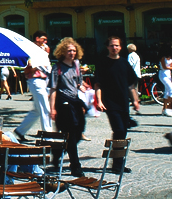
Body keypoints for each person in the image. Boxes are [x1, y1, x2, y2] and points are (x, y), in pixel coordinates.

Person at [93, 37, 139, 173]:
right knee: (118, 129)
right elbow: (97, 84)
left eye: (117, 46)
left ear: (120, 47)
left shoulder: (124, 63)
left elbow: (131, 85)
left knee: (123, 132)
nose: (114, 48)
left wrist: (135, 100)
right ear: (107, 47)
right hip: (110, 103)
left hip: (123, 102)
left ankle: (118, 164)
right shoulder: (103, 63)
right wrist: (99, 101)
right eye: (112, 46)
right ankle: (116, 164)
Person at [48, 38, 88, 177]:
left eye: (74, 50)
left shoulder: (76, 65)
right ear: (63, 52)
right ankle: (75, 166)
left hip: (75, 100)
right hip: (63, 101)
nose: (72, 53)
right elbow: (52, 89)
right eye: (69, 50)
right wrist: (52, 108)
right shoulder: (57, 68)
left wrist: (83, 87)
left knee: (80, 130)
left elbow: (78, 83)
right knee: (71, 133)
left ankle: (59, 151)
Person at [12, 31, 52, 143]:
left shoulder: (43, 51)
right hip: (35, 79)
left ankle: (20, 130)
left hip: (44, 80)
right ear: (37, 38)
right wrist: (38, 66)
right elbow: (28, 68)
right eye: (43, 39)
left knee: (37, 110)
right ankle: (48, 136)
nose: (45, 42)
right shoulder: (30, 49)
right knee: (45, 108)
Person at [158, 48, 172, 117]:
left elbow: (171, 66)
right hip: (163, 74)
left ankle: (164, 108)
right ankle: (169, 108)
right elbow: (165, 67)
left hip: (168, 74)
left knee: (167, 91)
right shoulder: (163, 58)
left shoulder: (170, 58)